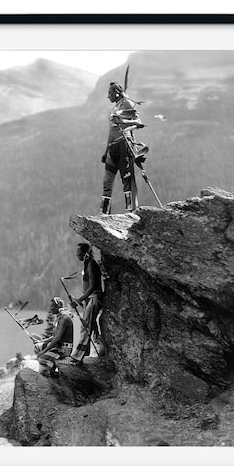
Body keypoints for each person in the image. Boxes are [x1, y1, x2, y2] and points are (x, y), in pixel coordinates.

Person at [100, 81, 145, 214]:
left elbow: (139, 122)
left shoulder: (127, 103)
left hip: (124, 145)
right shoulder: (114, 109)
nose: (108, 96)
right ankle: (104, 212)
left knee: (127, 180)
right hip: (112, 148)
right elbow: (111, 131)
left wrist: (123, 121)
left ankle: (131, 212)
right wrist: (106, 151)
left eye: (110, 93)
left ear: (117, 93)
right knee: (107, 181)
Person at [60, 243, 102, 366]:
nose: (77, 255)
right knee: (87, 326)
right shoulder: (88, 264)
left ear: (85, 253)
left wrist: (78, 301)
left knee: (85, 327)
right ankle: (85, 355)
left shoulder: (91, 264)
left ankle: (77, 356)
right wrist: (80, 300)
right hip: (89, 299)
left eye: (79, 252)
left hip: (94, 298)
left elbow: (93, 286)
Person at [34, 297, 74, 378]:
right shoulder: (60, 317)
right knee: (37, 346)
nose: (50, 308)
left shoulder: (64, 318)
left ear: (58, 307)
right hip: (58, 346)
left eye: (52, 306)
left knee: (42, 358)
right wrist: (41, 341)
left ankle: (51, 372)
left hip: (63, 350)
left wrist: (44, 351)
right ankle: (51, 370)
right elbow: (55, 336)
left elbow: (57, 338)